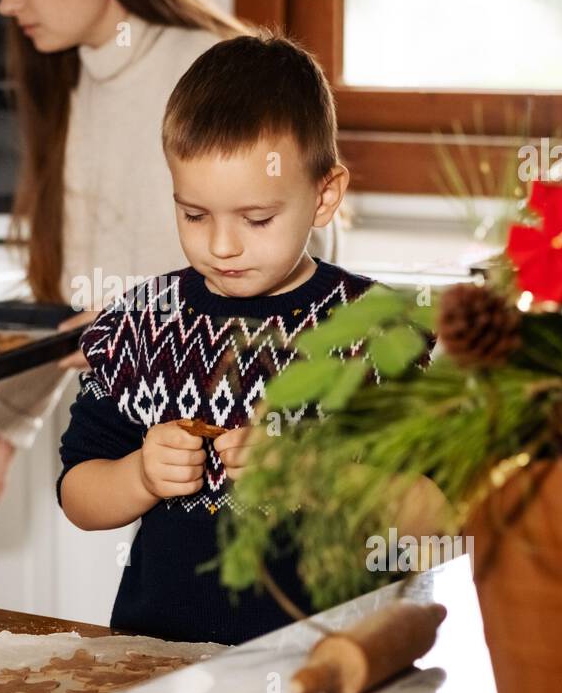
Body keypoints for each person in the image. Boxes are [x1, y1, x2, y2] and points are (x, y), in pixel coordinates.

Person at [0, 0, 341, 533]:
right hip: (141, 458)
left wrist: (139, 334)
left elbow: (305, 271)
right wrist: (0, 429)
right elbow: (75, 303)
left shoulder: (208, 69)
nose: (6, 2)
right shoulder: (75, 83)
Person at [57, 33, 374, 645]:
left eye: (257, 219)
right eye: (194, 215)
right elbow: (77, 494)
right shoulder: (143, 324)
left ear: (325, 195)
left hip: (328, 669)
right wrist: (139, 477)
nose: (221, 246)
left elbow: (433, 515)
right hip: (157, 664)